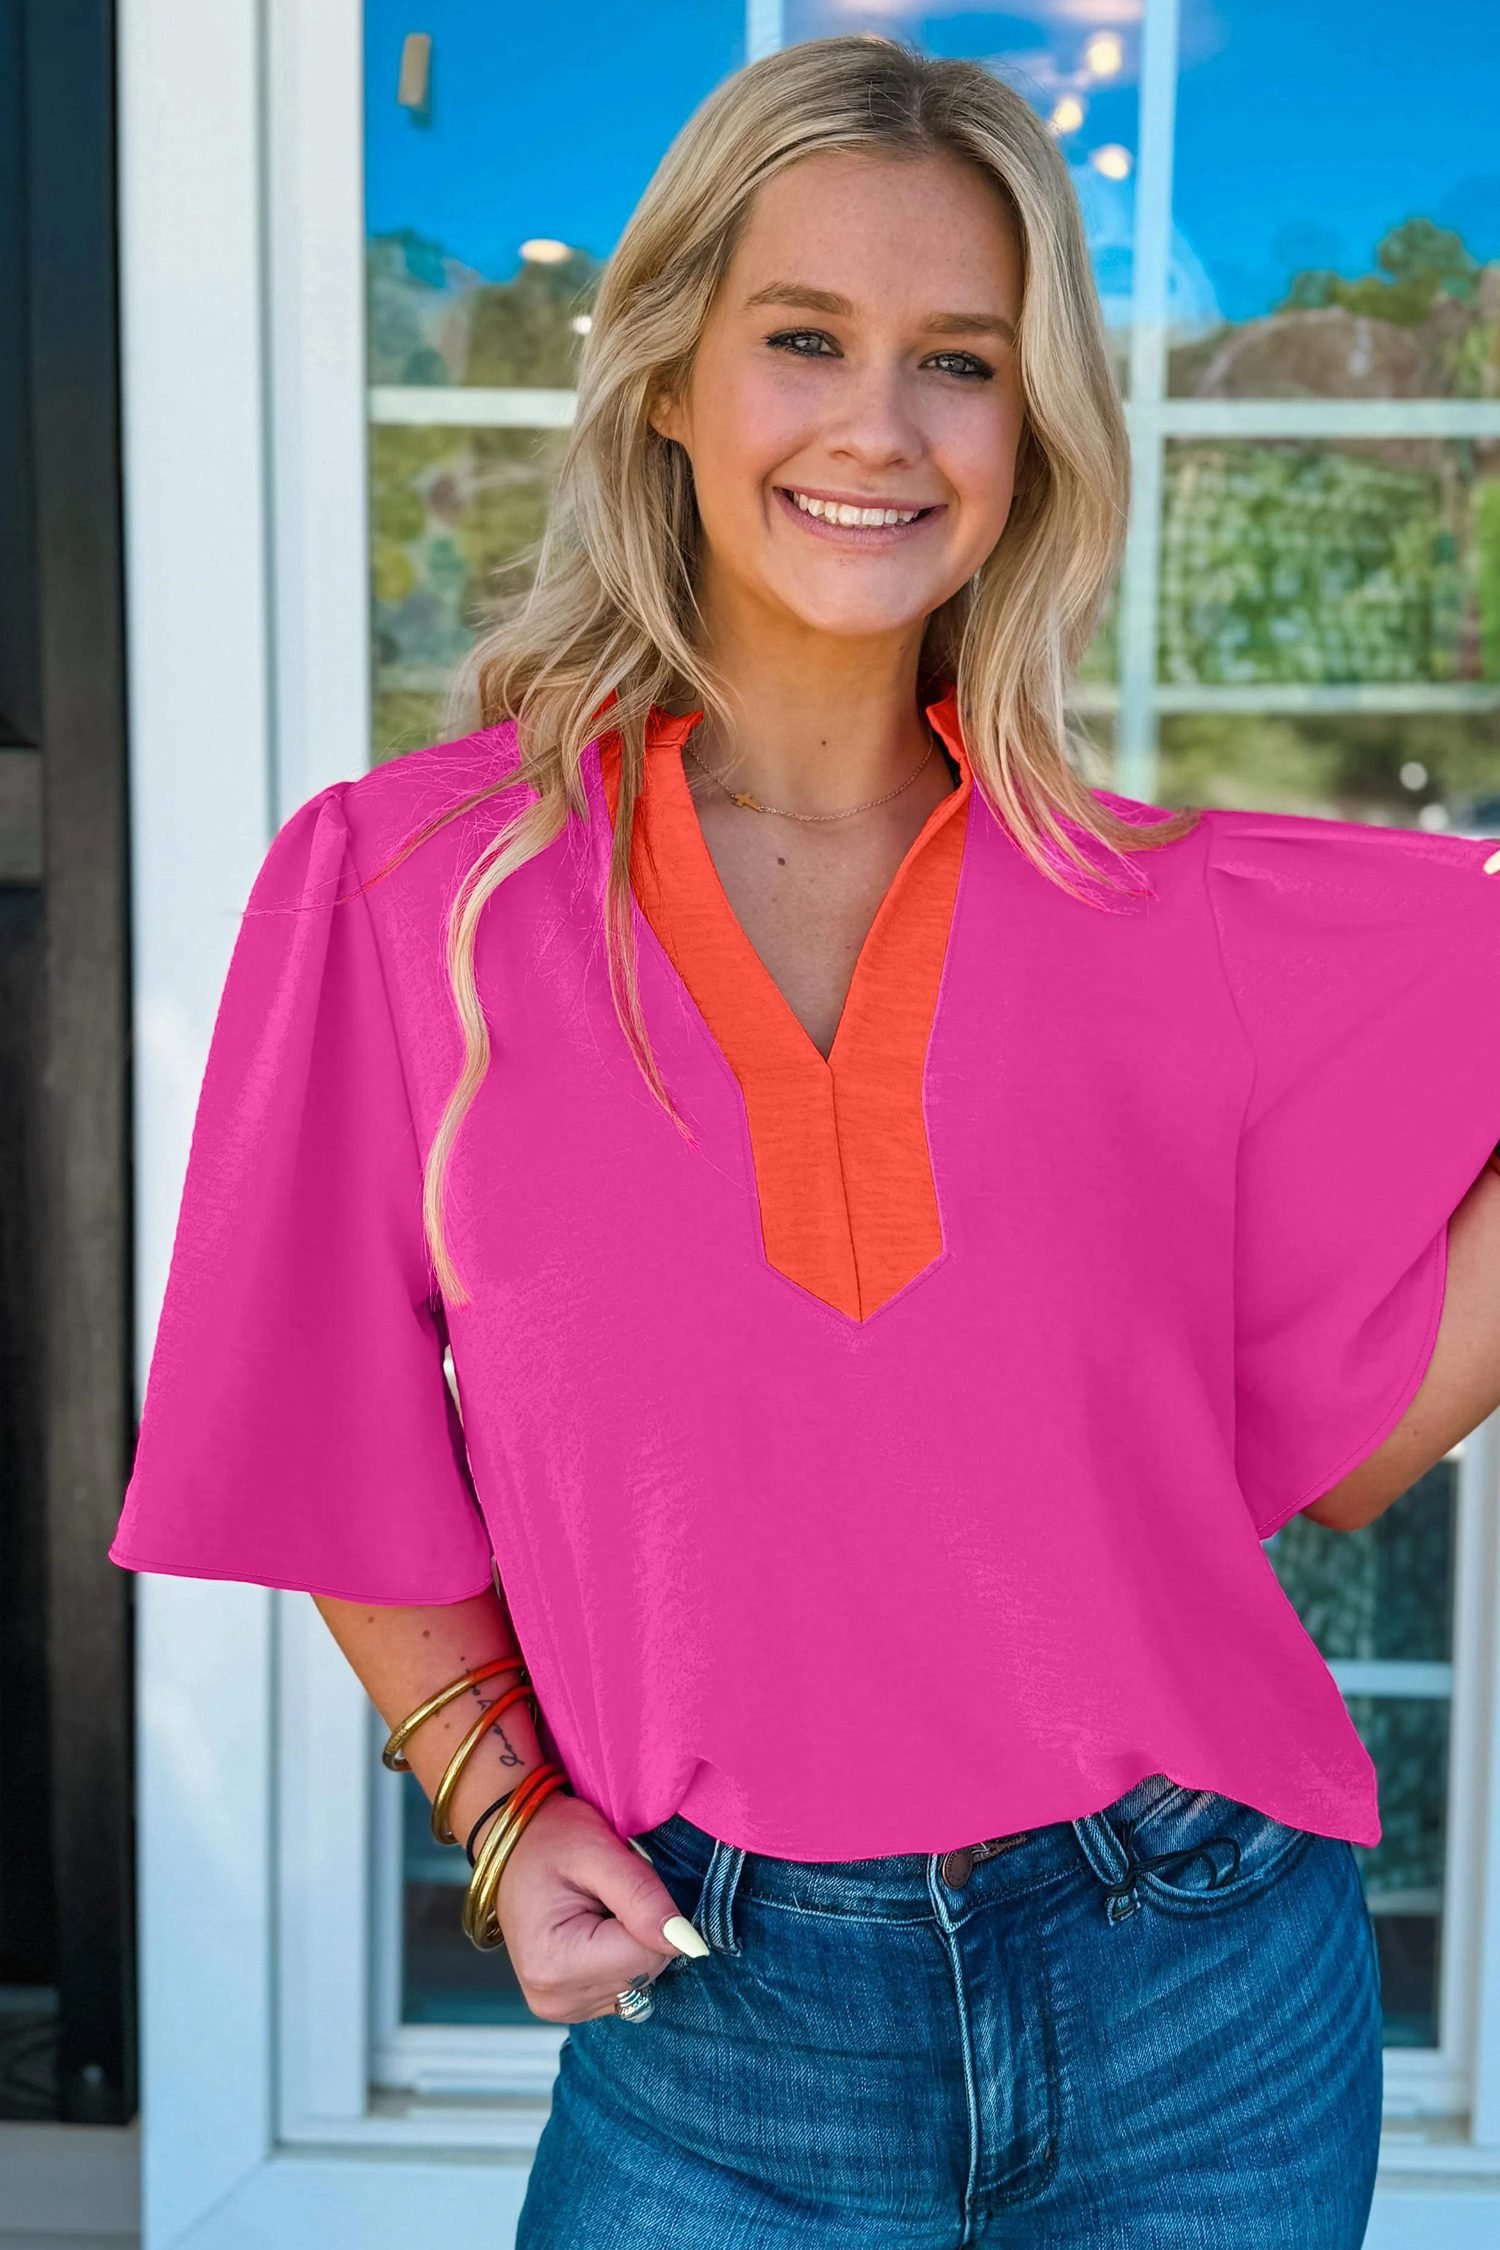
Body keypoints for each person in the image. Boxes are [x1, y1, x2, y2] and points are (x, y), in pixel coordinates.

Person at [109, 33, 1500, 2249]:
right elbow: (321, 1429)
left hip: (1209, 1999)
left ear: (1033, 426)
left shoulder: (1172, 914)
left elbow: (1341, 1449)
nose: (880, 426)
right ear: (670, 376)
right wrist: (496, 1798)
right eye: (804, 339)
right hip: (721, 2032)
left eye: (961, 358)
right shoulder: (414, 896)